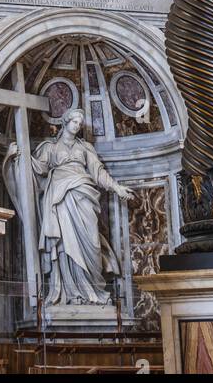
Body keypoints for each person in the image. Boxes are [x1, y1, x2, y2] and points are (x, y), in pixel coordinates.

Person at [7, 107, 132, 306]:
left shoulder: (85, 148)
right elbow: (37, 168)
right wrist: (19, 155)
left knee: (91, 242)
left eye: (80, 123)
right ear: (65, 122)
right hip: (60, 198)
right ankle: (70, 292)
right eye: (75, 122)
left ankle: (92, 288)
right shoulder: (50, 148)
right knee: (64, 243)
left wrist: (117, 188)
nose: (77, 126)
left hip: (84, 196)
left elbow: (98, 173)